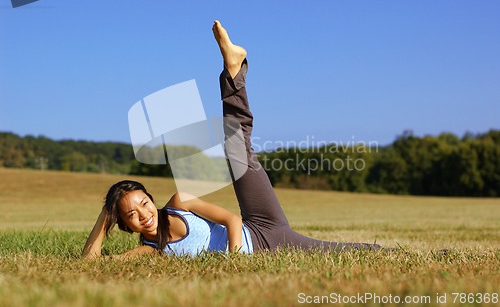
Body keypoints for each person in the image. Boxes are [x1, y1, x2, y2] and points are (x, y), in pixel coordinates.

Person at [82, 21, 381, 259]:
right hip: (276, 245)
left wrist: (235, 257)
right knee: (346, 252)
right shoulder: (152, 251)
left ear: (151, 199)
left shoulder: (179, 202)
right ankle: (387, 253)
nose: (144, 215)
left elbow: (232, 220)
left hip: (259, 226)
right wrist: (106, 214)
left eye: (144, 204)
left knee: (237, 151)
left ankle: (233, 70)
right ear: (123, 224)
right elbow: (91, 262)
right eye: (131, 215)